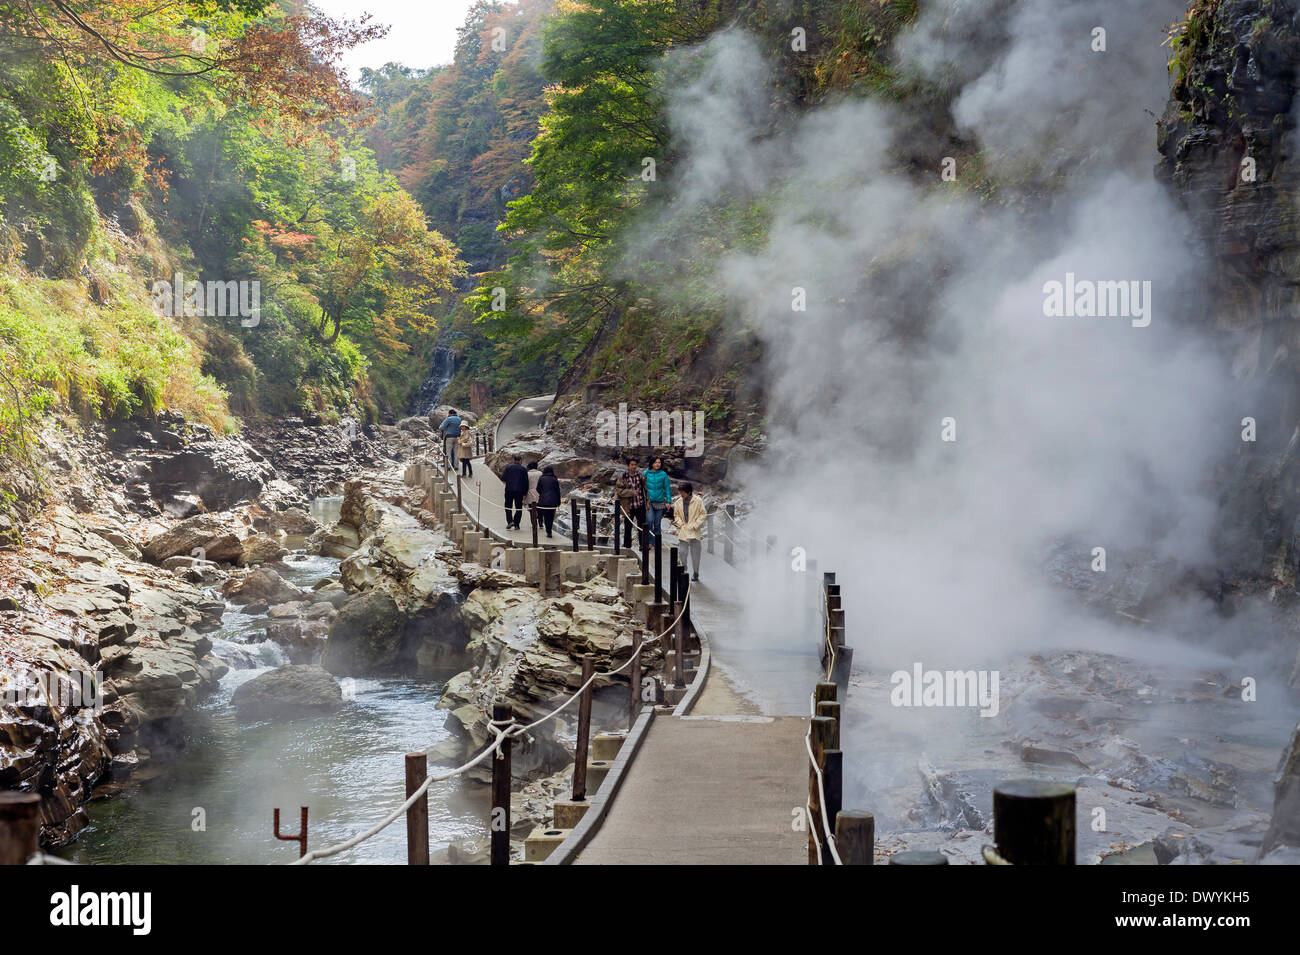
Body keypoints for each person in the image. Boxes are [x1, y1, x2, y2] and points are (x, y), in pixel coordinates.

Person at [669, 482, 708, 582]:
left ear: (689, 492)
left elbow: (703, 514)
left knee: (695, 553)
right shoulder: (678, 502)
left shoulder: (698, 501)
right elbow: (676, 515)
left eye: (683, 492)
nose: (681, 494)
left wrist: (695, 525)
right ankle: (684, 570)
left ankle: (696, 572)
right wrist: (680, 524)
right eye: (680, 492)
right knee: (682, 552)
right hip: (684, 530)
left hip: (694, 531)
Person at [614, 456, 646, 548]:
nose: (634, 466)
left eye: (635, 465)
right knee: (628, 527)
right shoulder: (623, 477)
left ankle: (642, 545)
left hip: (640, 504)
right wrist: (631, 493)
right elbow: (619, 491)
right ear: (628, 465)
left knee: (642, 526)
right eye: (632, 465)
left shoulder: (639, 475)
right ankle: (627, 547)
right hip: (629, 506)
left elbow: (644, 489)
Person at [643, 456, 671, 539]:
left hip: (660, 502)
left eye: (659, 462)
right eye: (655, 462)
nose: (657, 464)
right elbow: (642, 487)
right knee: (650, 520)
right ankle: (650, 542)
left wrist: (668, 501)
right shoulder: (646, 473)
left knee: (657, 523)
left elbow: (667, 488)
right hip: (649, 502)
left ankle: (657, 543)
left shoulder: (663, 474)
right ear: (651, 463)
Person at [502, 453, 529, 529]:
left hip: (509, 490)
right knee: (518, 508)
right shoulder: (523, 469)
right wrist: (525, 492)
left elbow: (503, 478)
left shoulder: (508, 467)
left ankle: (510, 521)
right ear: (520, 461)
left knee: (508, 507)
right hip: (519, 491)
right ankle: (517, 524)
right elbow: (526, 482)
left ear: (514, 460)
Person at [536, 465, 561, 538]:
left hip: (543, 501)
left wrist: (542, 493)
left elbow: (538, 489)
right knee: (551, 516)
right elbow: (558, 491)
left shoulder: (541, 479)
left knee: (546, 516)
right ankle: (549, 529)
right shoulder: (554, 479)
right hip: (553, 501)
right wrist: (558, 501)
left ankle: (548, 531)